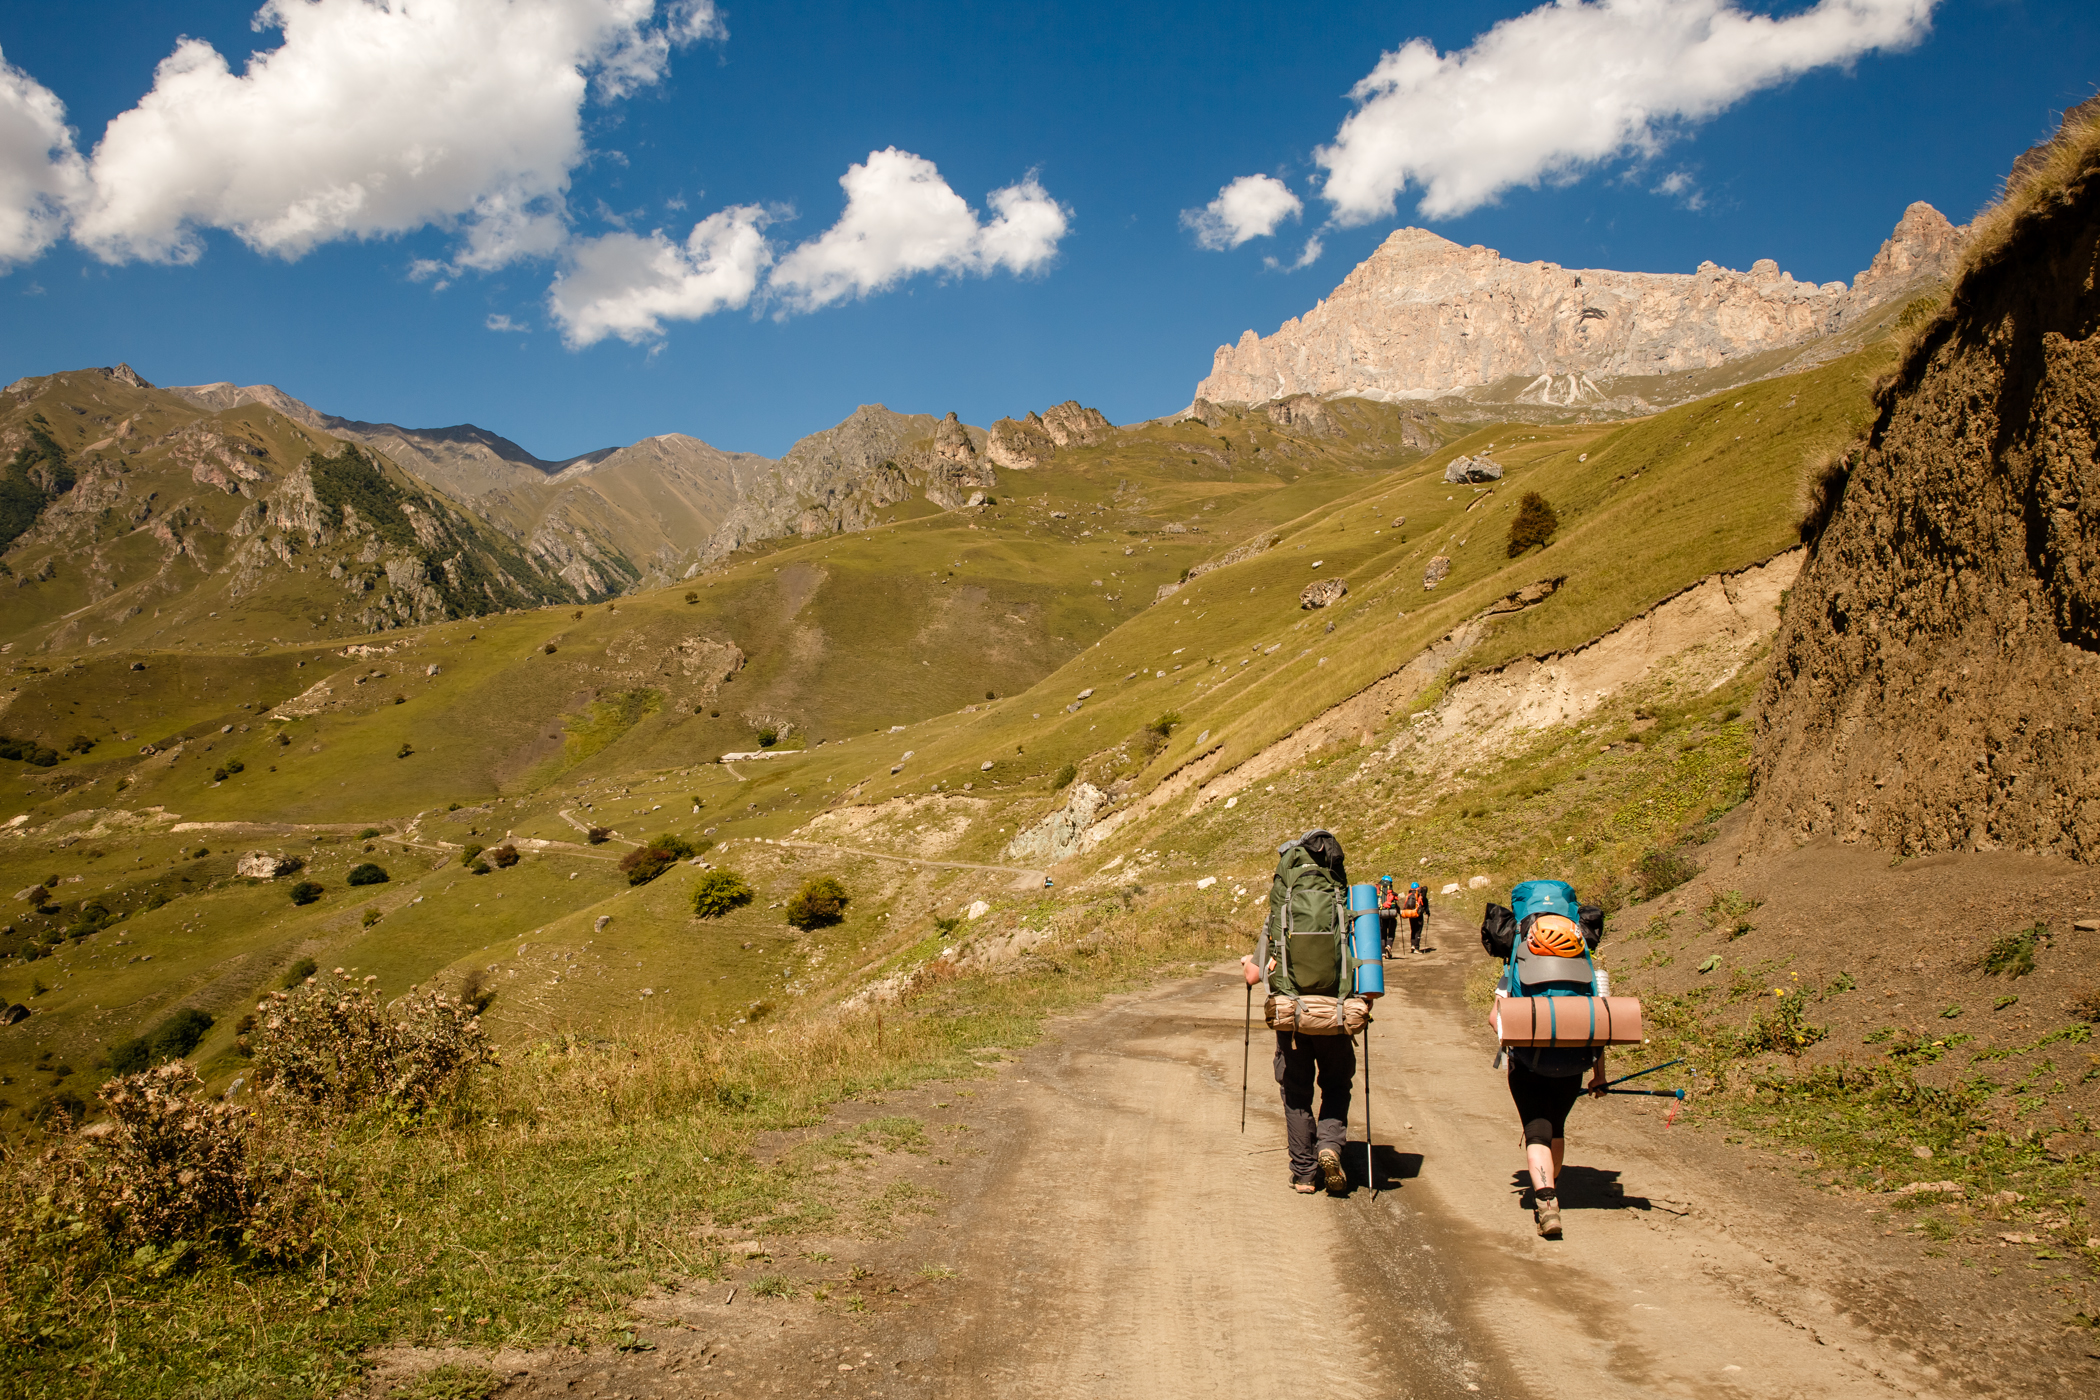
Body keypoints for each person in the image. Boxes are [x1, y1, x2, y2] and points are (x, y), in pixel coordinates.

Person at [1240, 829, 1373, 1195]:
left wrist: (1250, 964)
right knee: (1335, 1086)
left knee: (1297, 1093)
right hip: (1336, 1015)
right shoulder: (1344, 908)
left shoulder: (1279, 917)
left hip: (1293, 1018)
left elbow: (1253, 975)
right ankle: (1330, 1144)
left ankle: (1303, 1173)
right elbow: (1367, 966)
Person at [1487, 879, 1608, 1239]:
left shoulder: (1516, 963)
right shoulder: (1588, 966)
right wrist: (1598, 1074)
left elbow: (1496, 1017)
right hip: (1574, 1059)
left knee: (1535, 1127)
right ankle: (1552, 1186)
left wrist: (1512, 1037)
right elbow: (1600, 1024)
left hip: (1528, 1058)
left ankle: (1545, 1201)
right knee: (1556, 1124)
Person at [1401, 881, 1429, 953]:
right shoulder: (1421, 894)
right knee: (1418, 930)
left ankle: (1412, 945)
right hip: (1418, 914)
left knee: (1413, 930)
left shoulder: (1410, 894)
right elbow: (1425, 904)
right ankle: (1416, 947)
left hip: (1411, 914)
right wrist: (1427, 912)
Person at [1376, 875, 1400, 957]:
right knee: (1391, 933)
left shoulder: (1379, 894)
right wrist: (1400, 912)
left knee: (1382, 934)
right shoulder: (1392, 893)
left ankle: (1383, 953)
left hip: (1381, 915)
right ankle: (1389, 946)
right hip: (1392, 915)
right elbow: (1396, 904)